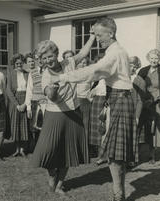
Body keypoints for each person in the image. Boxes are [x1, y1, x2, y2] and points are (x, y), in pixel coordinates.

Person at [51, 17, 138, 201]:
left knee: (115, 154)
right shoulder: (114, 51)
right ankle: (118, 193)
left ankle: (118, 195)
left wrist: (62, 78)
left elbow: (94, 71)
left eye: (99, 35)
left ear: (111, 33)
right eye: (95, 35)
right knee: (114, 153)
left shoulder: (115, 53)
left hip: (120, 100)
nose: (97, 39)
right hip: (115, 98)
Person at [31, 35, 94, 195]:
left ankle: (59, 184)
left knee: (68, 151)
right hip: (54, 116)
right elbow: (50, 95)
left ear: (56, 54)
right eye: (44, 58)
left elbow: (83, 53)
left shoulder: (69, 63)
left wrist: (92, 36)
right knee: (48, 150)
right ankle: (52, 176)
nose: (48, 60)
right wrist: (53, 88)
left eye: (50, 56)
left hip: (73, 113)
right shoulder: (45, 75)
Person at [138, 49, 160, 164]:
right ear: (148, 59)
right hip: (144, 103)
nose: (154, 60)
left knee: (156, 129)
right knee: (144, 128)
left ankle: (152, 155)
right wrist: (144, 100)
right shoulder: (143, 71)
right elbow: (137, 86)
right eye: (152, 58)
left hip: (158, 103)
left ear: (159, 59)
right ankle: (136, 154)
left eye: (156, 58)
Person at [7, 53, 29, 157]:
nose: (19, 65)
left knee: (24, 125)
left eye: (20, 63)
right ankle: (17, 149)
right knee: (16, 126)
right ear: (14, 64)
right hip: (15, 102)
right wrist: (17, 105)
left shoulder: (27, 74)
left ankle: (23, 149)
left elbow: (29, 90)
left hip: (25, 100)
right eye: (17, 63)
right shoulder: (11, 74)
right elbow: (9, 91)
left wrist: (25, 104)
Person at [24, 52, 47, 152]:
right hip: (35, 103)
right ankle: (38, 149)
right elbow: (29, 90)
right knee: (35, 128)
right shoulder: (32, 73)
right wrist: (28, 107)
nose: (40, 61)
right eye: (38, 59)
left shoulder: (50, 71)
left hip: (47, 104)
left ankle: (46, 148)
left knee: (46, 127)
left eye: (42, 59)